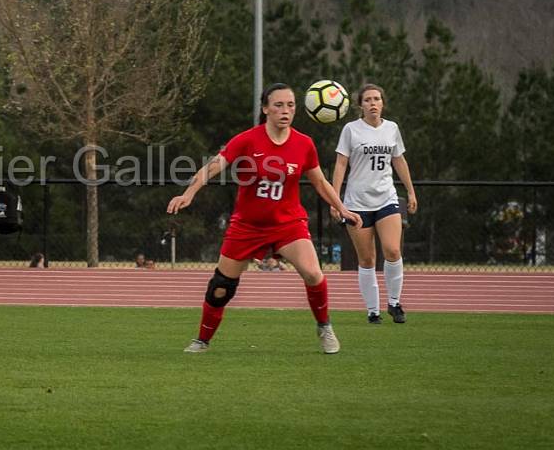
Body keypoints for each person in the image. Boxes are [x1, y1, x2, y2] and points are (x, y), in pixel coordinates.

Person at [167, 83, 362, 355]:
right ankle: (202, 340)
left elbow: (320, 182)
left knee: (314, 274)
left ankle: (324, 326)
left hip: (288, 224)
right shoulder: (247, 140)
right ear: (265, 109)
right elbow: (214, 165)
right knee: (220, 288)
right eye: (279, 105)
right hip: (247, 226)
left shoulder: (304, 143)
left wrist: (342, 208)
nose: (285, 110)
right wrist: (189, 192)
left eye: (291, 105)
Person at [331, 83, 418, 324]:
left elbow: (399, 160)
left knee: (392, 250)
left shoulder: (391, 129)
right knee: (367, 259)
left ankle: (394, 303)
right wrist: (335, 200)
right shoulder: (351, 130)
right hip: (357, 202)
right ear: (361, 105)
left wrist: (410, 191)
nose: (372, 103)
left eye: (376, 99)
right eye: (367, 99)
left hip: (386, 199)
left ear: (382, 103)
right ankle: (372, 310)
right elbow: (341, 164)